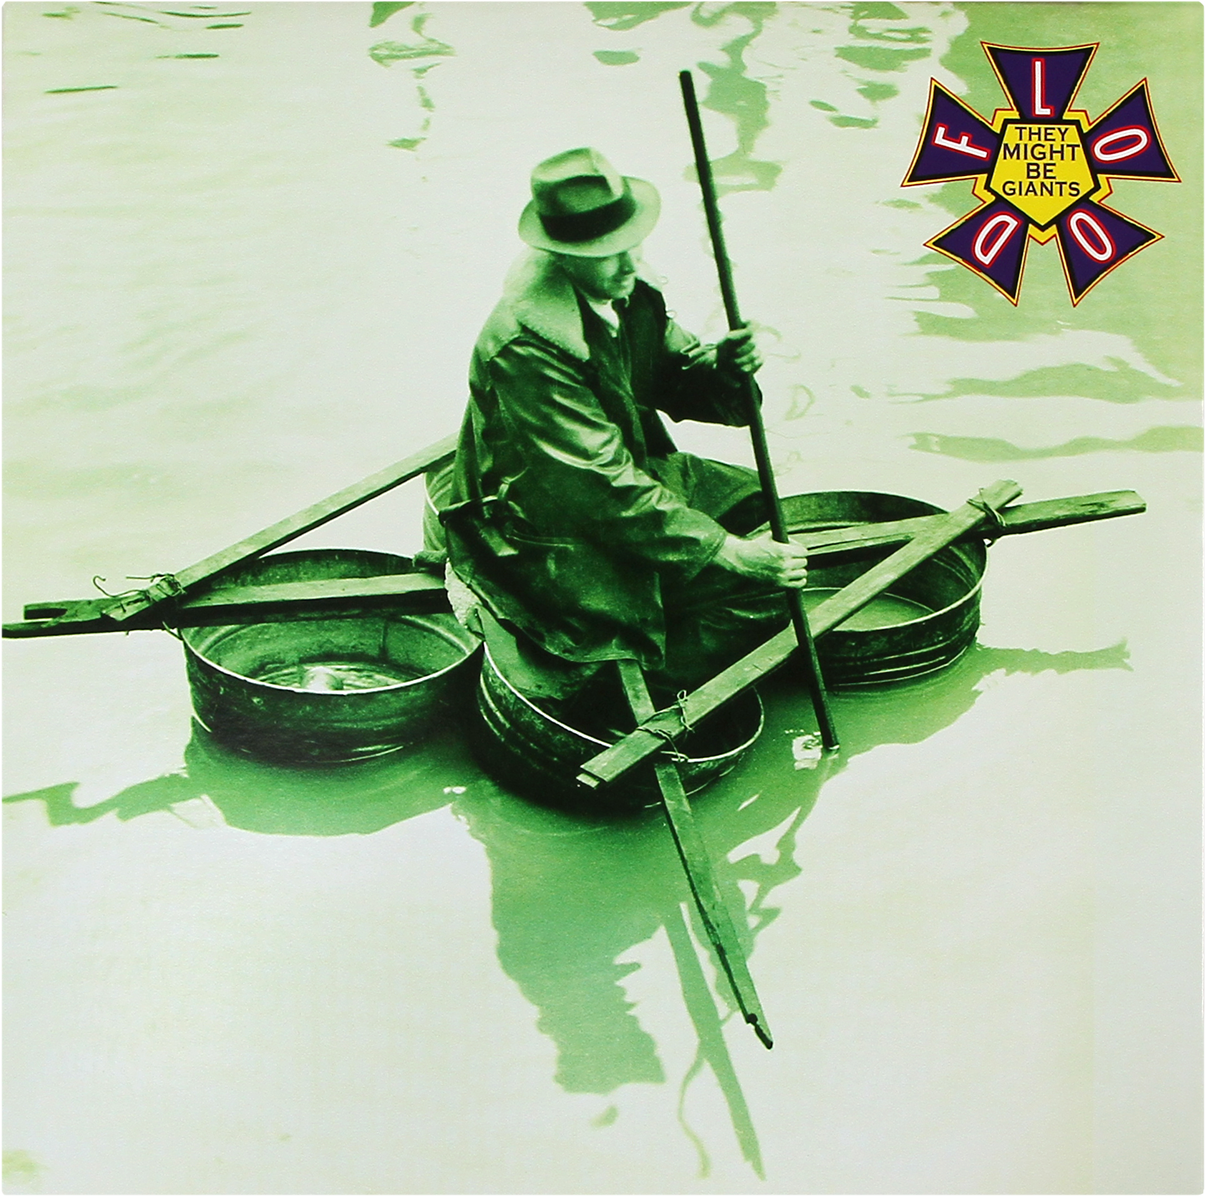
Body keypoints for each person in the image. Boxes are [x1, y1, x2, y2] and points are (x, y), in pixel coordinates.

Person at [428, 147, 807, 713]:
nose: (627, 266)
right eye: (607, 256)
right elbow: (598, 484)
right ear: (560, 256)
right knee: (758, 592)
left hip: (620, 480)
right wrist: (723, 552)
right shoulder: (524, 345)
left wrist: (724, 370)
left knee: (767, 505)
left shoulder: (628, 292)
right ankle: (642, 679)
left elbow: (677, 378)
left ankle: (677, 608)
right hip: (540, 523)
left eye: (632, 247)